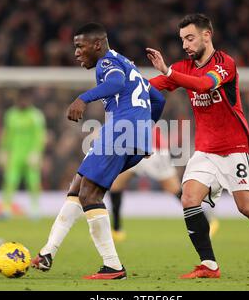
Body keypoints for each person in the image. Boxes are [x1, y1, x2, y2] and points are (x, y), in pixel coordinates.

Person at [146, 13, 249, 279]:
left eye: (190, 38)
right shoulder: (182, 68)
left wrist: (168, 71)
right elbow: (150, 86)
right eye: (182, 40)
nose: (185, 45)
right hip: (205, 150)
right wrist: (120, 85)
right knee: (188, 198)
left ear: (206, 35)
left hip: (235, 148)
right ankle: (209, 265)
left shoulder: (225, 64)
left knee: (247, 208)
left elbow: (203, 84)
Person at [31, 22, 166, 280]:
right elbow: (158, 99)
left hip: (119, 131)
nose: (76, 53)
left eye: (80, 46)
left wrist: (83, 98)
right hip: (132, 134)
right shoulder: (129, 64)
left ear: (97, 45)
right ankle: (48, 252)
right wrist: (144, 131)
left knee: (90, 195)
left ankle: (113, 266)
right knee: (78, 186)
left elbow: (114, 84)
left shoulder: (107, 64)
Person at [109, 127, 220, 242]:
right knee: (116, 184)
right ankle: (117, 230)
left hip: (153, 148)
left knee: (174, 188)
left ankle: (206, 219)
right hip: (132, 146)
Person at [0, 92, 46, 220]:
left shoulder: (35, 116)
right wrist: (3, 150)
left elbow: (40, 136)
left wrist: (37, 152)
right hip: (14, 154)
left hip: (30, 154)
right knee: (10, 181)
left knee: (33, 182)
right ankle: (6, 209)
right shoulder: (11, 115)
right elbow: (7, 134)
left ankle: (35, 210)